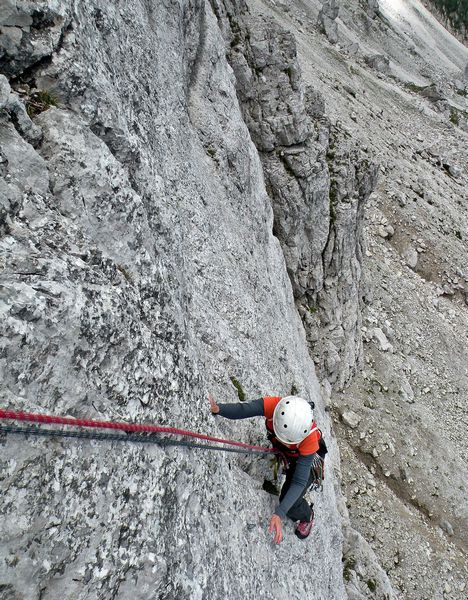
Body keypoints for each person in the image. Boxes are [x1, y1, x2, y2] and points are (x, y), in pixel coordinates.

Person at [209, 394, 327, 544]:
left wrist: (280, 512)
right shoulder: (278, 407)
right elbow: (244, 409)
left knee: (289, 502)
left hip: (306, 464)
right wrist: (219, 409)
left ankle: (307, 515)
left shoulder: (309, 440)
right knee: (287, 497)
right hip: (288, 454)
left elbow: (299, 482)